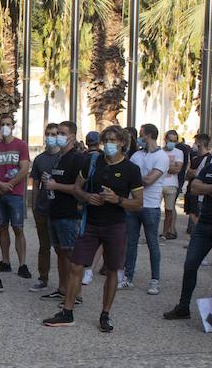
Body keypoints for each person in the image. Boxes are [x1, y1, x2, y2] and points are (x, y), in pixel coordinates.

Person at [44, 126, 142, 332]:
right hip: (90, 223)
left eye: (113, 140)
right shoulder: (93, 161)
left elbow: (138, 203)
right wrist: (87, 197)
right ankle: (67, 311)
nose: (108, 144)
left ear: (122, 143)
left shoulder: (131, 169)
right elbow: (77, 188)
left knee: (113, 270)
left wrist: (117, 199)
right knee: (76, 265)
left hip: (115, 225)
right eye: (106, 140)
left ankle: (105, 314)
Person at [163, 133, 212, 322]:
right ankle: (183, 306)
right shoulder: (211, 167)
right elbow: (195, 188)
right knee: (190, 265)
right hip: (204, 223)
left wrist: (209, 188)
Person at [40, 121, 87, 308]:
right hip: (55, 211)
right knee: (60, 252)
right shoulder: (60, 157)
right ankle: (62, 289)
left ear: (72, 136)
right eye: (56, 132)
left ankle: (75, 293)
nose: (57, 136)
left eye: (61, 133)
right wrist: (50, 181)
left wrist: (55, 185)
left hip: (69, 214)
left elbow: (79, 188)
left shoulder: (77, 159)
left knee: (71, 255)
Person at [123, 124, 168, 295]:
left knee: (152, 244)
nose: (139, 138)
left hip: (150, 206)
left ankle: (155, 280)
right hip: (133, 204)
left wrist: (133, 178)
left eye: (141, 134)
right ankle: (128, 277)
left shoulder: (162, 157)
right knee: (131, 242)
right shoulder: (137, 155)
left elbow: (149, 181)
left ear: (148, 135)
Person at [0, 113, 30, 280]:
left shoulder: (21, 145)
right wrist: (0, 184)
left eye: (8, 124)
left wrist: (8, 186)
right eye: (3, 124)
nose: (5, 127)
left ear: (13, 126)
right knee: (2, 227)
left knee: (18, 228)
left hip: (15, 194)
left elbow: (24, 169)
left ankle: (22, 264)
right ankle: (5, 261)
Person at [27, 123, 61, 291]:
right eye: (48, 133)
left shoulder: (65, 157)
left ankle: (65, 283)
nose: (50, 136)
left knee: (62, 249)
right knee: (44, 246)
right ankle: (43, 277)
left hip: (60, 211)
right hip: (42, 209)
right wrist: (33, 208)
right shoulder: (40, 159)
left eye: (54, 134)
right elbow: (35, 184)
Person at [161, 130, 190, 239]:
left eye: (174, 140)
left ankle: (166, 233)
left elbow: (178, 169)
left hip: (172, 184)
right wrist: (169, 168)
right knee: (154, 210)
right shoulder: (159, 152)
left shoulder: (179, 152)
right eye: (170, 140)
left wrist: (162, 169)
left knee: (169, 209)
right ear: (165, 139)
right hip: (158, 184)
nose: (172, 142)